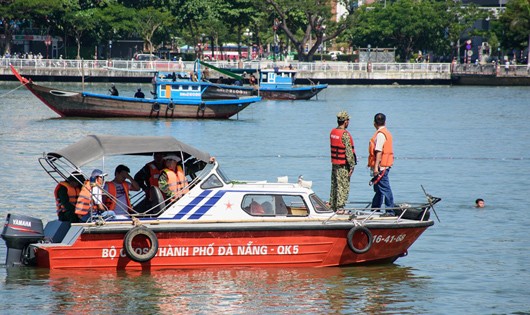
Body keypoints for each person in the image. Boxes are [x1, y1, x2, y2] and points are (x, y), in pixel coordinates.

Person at [329, 110, 357, 213]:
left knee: (334, 184)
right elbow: (348, 152)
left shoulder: (333, 132)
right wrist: (352, 166)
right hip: (343, 165)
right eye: (348, 120)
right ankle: (340, 208)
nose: (348, 122)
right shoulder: (344, 134)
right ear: (345, 121)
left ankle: (333, 205)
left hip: (335, 163)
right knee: (342, 186)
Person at [368, 113, 395, 215]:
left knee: (385, 188)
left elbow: (378, 151)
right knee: (379, 189)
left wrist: (376, 168)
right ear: (385, 122)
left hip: (381, 167)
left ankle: (390, 211)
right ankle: (375, 209)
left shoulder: (380, 135)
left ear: (374, 123)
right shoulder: (386, 133)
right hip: (384, 165)